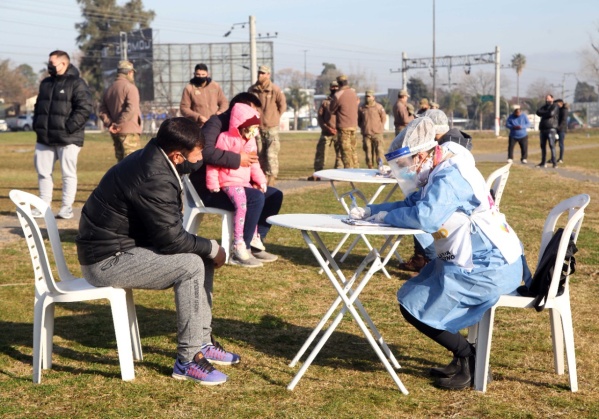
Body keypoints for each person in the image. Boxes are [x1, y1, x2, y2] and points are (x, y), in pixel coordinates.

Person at [350, 116, 528, 390]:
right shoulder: (441, 165)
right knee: (415, 296)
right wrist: (372, 211)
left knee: (414, 306)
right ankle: (464, 356)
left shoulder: (449, 176)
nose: (404, 172)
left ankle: (470, 357)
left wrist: (384, 217)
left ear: (422, 155)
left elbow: (425, 217)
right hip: (478, 258)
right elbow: (413, 203)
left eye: (405, 164)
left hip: (488, 267)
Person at [76, 117, 238, 386]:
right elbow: (171, 240)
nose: (200, 159)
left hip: (121, 247)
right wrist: (214, 247)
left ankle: (202, 341)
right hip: (105, 261)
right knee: (192, 264)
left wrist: (207, 250)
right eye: (197, 154)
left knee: (201, 256)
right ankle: (188, 360)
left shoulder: (156, 158)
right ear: (177, 156)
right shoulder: (154, 176)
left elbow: (168, 234)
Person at [189, 92, 283, 265]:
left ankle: (255, 243)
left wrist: (255, 180)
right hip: (211, 187)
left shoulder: (247, 130)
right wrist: (238, 159)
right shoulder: (215, 124)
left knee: (274, 195)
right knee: (255, 198)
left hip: (238, 183)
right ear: (239, 109)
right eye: (252, 111)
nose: (255, 116)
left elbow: (251, 161)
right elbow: (205, 152)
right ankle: (240, 250)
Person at [396, 110, 473, 273]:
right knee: (418, 206)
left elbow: (426, 217)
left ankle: (429, 258)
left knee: (420, 212)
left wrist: (386, 216)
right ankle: (422, 257)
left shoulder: (448, 151)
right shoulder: (450, 144)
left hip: (457, 224)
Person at [206, 103, 268, 267]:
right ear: (240, 125)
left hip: (244, 181)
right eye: (251, 128)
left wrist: (261, 180)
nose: (254, 132)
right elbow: (213, 164)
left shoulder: (250, 140)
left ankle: (253, 238)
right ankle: (239, 244)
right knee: (242, 205)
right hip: (228, 181)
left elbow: (254, 163)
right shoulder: (225, 138)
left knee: (260, 199)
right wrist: (213, 183)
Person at [32, 50, 92, 220]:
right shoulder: (45, 83)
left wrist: (68, 128)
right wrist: (37, 125)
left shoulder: (77, 83)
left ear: (64, 63)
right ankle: (43, 206)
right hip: (45, 138)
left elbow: (84, 108)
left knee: (68, 174)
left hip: (68, 138)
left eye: (52, 63)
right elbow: (38, 106)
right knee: (43, 173)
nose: (49, 66)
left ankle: (66, 207)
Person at [248, 65, 287, 186]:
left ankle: (272, 176)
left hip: (272, 127)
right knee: (259, 153)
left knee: (271, 153)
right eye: (259, 73)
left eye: (263, 73)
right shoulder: (252, 90)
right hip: (257, 127)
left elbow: (282, 106)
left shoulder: (274, 89)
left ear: (268, 75)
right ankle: (261, 177)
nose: (260, 75)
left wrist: (274, 118)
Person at [98, 60, 143, 162]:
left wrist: (111, 124)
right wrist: (118, 124)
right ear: (130, 72)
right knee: (133, 162)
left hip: (115, 132)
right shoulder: (130, 88)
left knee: (121, 163)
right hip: (129, 131)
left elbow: (102, 110)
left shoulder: (109, 89)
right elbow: (131, 108)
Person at [180, 63, 228, 128]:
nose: (201, 77)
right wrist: (198, 117)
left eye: (203, 74)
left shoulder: (215, 86)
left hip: (214, 124)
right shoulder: (189, 88)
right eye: (198, 74)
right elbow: (184, 108)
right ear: (194, 74)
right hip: (198, 126)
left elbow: (224, 102)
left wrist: (220, 112)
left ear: (207, 74)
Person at [308, 81, 339, 181]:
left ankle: (339, 173)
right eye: (333, 87)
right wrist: (327, 128)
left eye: (336, 87)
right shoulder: (325, 102)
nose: (334, 88)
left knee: (340, 155)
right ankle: (318, 173)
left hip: (339, 132)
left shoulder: (341, 101)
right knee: (321, 152)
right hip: (327, 132)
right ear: (330, 88)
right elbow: (320, 117)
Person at [329, 74, 359, 168]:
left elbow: (331, 109)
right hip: (354, 126)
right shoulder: (353, 93)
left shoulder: (338, 95)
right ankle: (356, 168)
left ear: (339, 84)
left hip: (343, 126)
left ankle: (349, 170)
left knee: (345, 151)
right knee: (353, 150)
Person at [358, 90, 387, 169]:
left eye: (369, 96)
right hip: (366, 134)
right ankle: (370, 166)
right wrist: (363, 127)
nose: (367, 98)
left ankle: (380, 166)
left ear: (373, 97)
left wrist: (380, 127)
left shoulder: (379, 107)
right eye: (366, 96)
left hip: (377, 134)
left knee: (379, 151)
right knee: (368, 152)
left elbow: (383, 118)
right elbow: (359, 120)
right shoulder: (361, 108)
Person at [535, 94, 559, 168]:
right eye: (546, 98)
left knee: (552, 145)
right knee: (543, 146)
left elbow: (551, 113)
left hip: (551, 128)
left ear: (552, 98)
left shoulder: (555, 106)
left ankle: (554, 162)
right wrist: (546, 112)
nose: (547, 100)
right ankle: (543, 162)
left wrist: (544, 113)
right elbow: (538, 112)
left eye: (548, 98)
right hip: (543, 128)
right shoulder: (545, 106)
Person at [555, 99, 568, 163]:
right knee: (553, 143)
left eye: (557, 104)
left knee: (561, 144)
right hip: (557, 129)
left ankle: (561, 158)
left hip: (561, 129)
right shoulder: (558, 110)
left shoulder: (564, 110)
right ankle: (553, 157)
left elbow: (563, 120)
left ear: (561, 103)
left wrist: (558, 128)